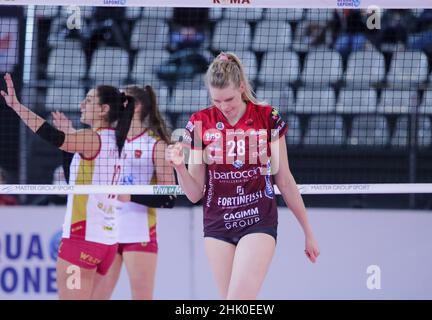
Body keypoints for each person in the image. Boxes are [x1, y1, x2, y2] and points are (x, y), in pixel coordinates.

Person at [166, 52, 320, 300]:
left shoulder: (267, 117)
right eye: (217, 101)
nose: (224, 107)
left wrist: (308, 232)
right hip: (217, 224)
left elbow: (285, 179)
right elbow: (195, 194)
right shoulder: (199, 122)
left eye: (229, 99)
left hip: (257, 219)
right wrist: (179, 167)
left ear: (241, 87)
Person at [1, 73, 135, 299]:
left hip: (82, 239)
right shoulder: (120, 143)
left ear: (103, 110)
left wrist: (16, 106)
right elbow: (118, 194)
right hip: (108, 243)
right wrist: (71, 135)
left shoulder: (93, 138)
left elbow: (51, 136)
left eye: (89, 100)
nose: (82, 104)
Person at [91, 85, 176, 300]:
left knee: (142, 297)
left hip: (138, 232)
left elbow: (169, 196)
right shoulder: (106, 139)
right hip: (106, 229)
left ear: (135, 107)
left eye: (121, 100)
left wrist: (131, 196)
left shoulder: (155, 145)